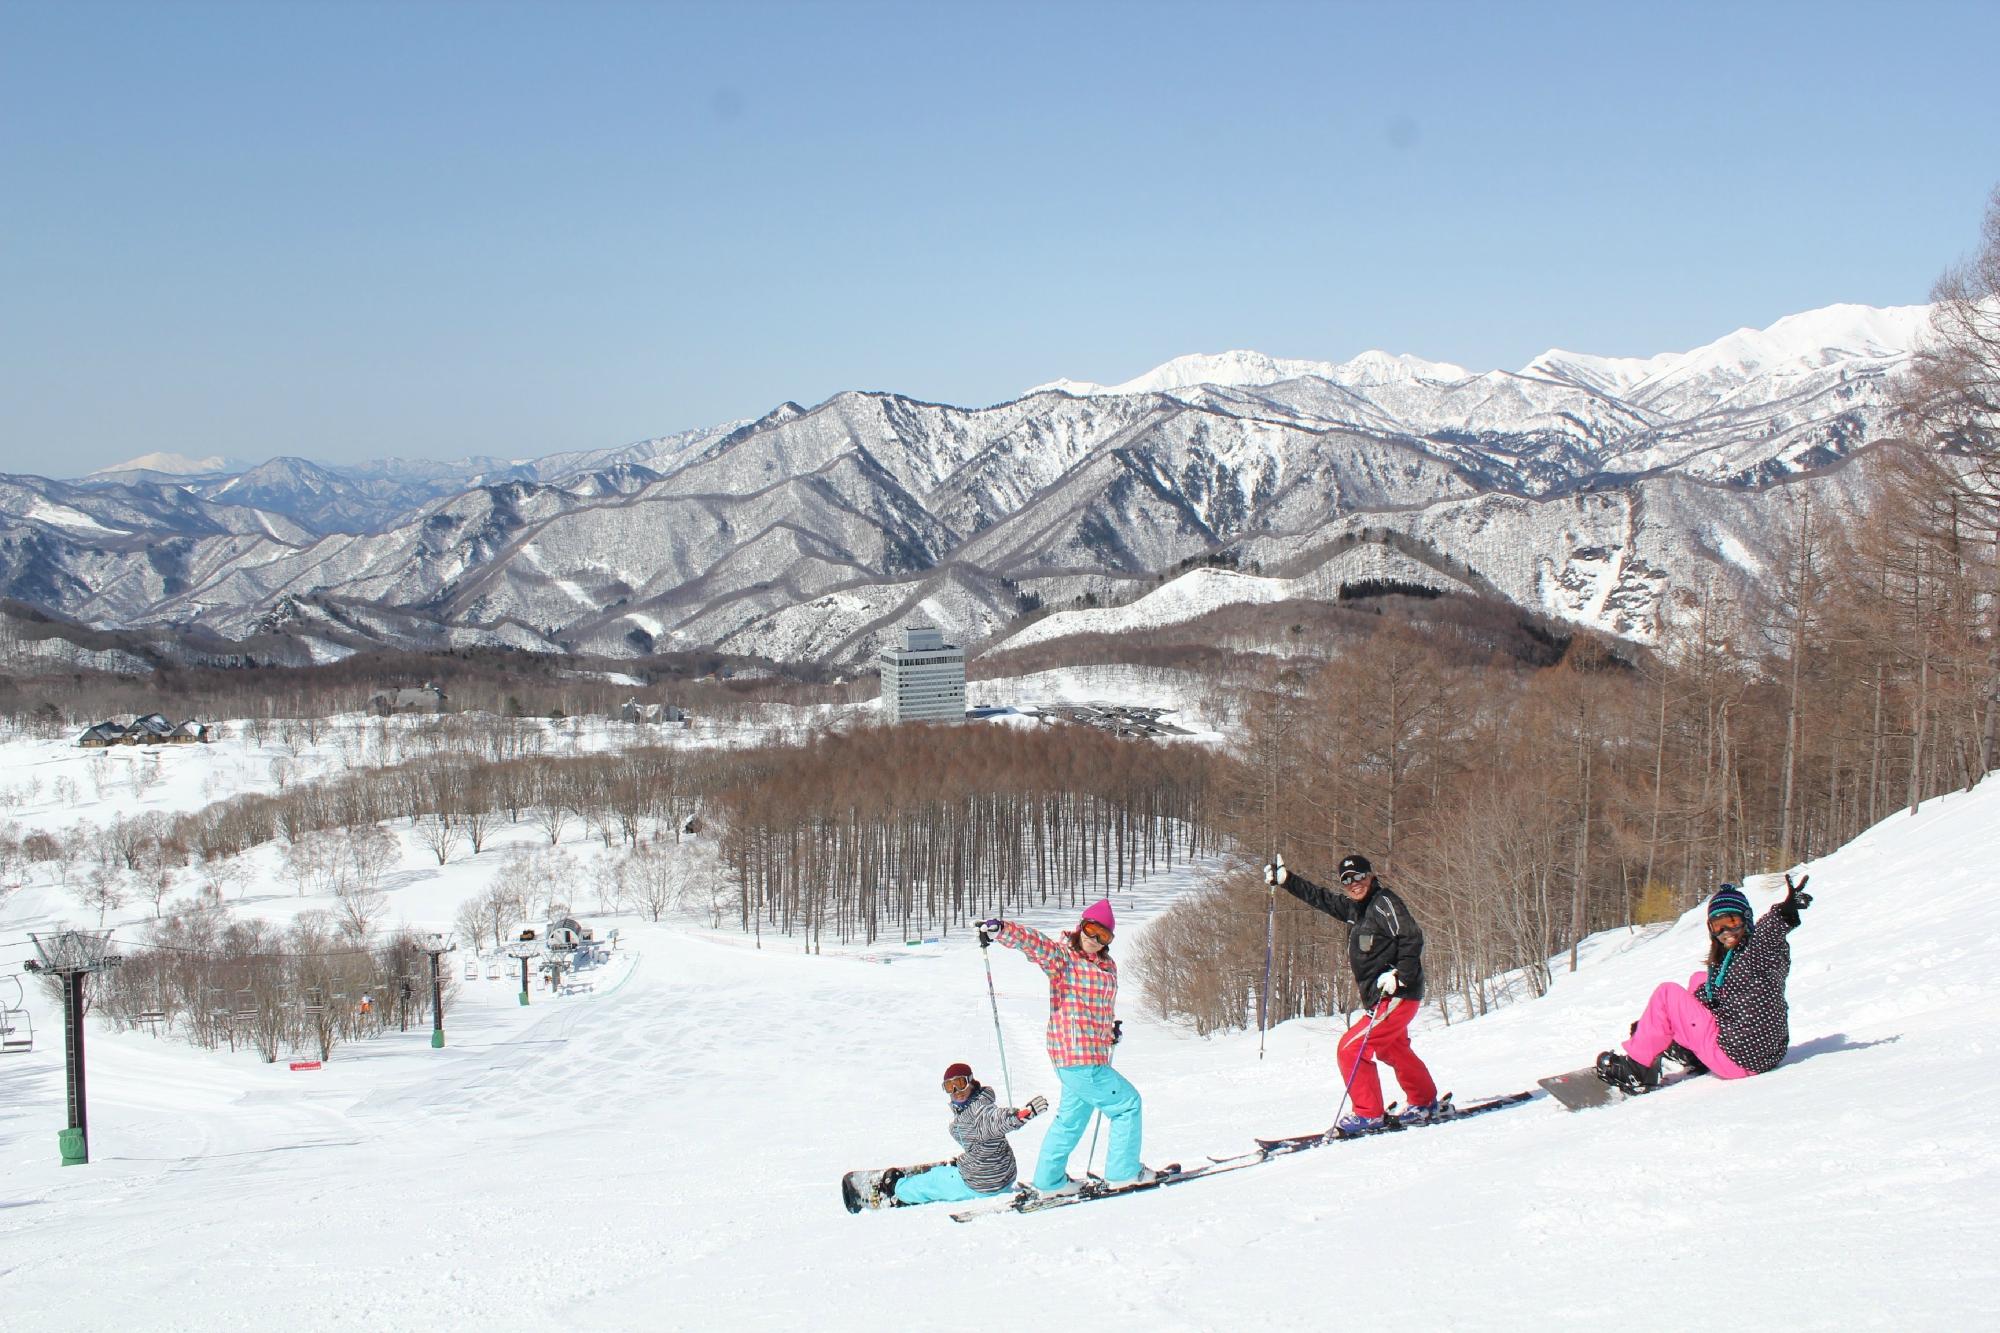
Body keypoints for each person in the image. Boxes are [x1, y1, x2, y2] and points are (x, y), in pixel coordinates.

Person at [975, 900, 1157, 1194]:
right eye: (1091, 929)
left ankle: (1050, 1182)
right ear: (1080, 926)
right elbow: (1035, 944)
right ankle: (1124, 1172)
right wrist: (1003, 930)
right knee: (1127, 1105)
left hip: (1088, 1055)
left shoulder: (1106, 965)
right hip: (1077, 1055)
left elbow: (1093, 1008)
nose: (1094, 939)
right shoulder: (1064, 958)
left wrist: (1108, 1032)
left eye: (1103, 935)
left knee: (1071, 1121)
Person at [1264, 853, 1438, 1133]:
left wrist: (1400, 975)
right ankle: (1424, 1101)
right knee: (1392, 1048)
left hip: (1396, 995)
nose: (1354, 884)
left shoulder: (1384, 903)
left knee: (1351, 1049)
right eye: (1347, 880)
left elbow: (1411, 936)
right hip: (1384, 998)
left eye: (1359, 876)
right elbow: (1321, 899)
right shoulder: (1358, 909)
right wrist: (1287, 881)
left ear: (1370, 875)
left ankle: (1369, 1114)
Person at [1595, 876, 1813, 1093]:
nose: (1725, 932)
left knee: (1667, 993)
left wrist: (1784, 912)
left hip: (1735, 1059)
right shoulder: (1746, 960)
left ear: (1746, 919)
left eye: (1732, 922)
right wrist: (1659, 1024)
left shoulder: (1756, 951)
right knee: (1699, 980)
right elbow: (1714, 999)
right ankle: (1681, 1048)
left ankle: (1636, 1069)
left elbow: (1767, 935)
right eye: (1718, 926)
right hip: (1767, 1054)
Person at [879, 1062, 1049, 1206]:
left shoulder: (978, 1112)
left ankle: (899, 1190)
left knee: (934, 1182)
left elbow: (996, 1120)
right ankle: (963, 1164)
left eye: (960, 1083)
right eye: (949, 1086)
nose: (956, 1090)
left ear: (971, 1082)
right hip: (1003, 1175)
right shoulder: (976, 1104)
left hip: (981, 1183)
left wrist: (1022, 1115)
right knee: (948, 1172)